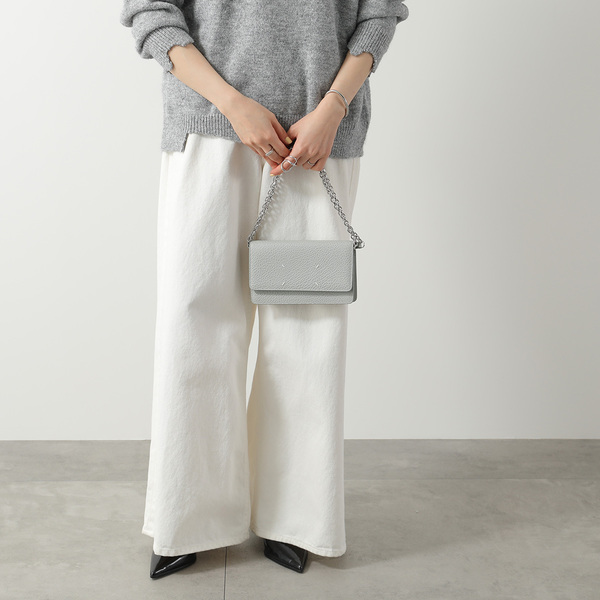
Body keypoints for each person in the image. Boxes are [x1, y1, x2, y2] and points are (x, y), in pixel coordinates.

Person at [119, 0, 409, 578]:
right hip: (206, 131)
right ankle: (187, 515)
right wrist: (233, 104)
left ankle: (295, 519)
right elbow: (151, 12)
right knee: (194, 324)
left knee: (306, 331)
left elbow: (378, 13)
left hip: (314, 140)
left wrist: (332, 108)